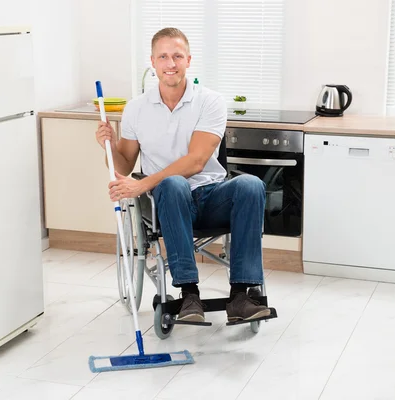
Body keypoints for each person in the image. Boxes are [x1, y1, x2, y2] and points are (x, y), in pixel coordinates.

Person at [95, 27, 270, 323]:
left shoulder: (210, 101)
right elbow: (123, 166)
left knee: (251, 184)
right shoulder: (136, 109)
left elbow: (197, 161)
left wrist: (143, 184)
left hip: (210, 196)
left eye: (177, 56)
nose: (170, 63)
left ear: (189, 60)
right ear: (152, 62)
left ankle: (241, 295)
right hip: (166, 202)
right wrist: (108, 145)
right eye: (163, 56)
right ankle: (189, 295)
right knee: (173, 184)